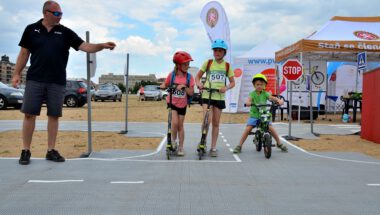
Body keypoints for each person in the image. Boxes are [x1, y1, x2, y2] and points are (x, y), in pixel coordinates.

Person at [12, 1, 116, 165]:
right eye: (57, 13)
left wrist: (101, 45)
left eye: (61, 14)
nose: (60, 16)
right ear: (46, 13)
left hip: (57, 80)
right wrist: (16, 73)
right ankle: (25, 150)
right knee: (29, 114)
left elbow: (85, 46)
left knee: (54, 115)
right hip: (35, 79)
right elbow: (24, 53)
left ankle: (51, 150)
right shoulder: (31, 29)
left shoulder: (65, 32)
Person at [195, 39, 235, 157]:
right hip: (207, 95)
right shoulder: (208, 63)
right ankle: (203, 142)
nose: (217, 52)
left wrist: (226, 88)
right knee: (206, 120)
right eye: (215, 50)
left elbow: (233, 82)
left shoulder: (227, 66)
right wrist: (199, 84)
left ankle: (213, 147)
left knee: (216, 123)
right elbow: (197, 77)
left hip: (219, 97)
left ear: (224, 52)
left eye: (220, 51)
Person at [233, 74, 288, 154]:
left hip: (264, 115)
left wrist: (279, 101)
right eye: (257, 84)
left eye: (261, 84)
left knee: (271, 128)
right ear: (254, 85)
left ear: (264, 85)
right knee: (248, 129)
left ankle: (279, 143)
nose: (259, 86)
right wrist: (248, 102)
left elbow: (272, 98)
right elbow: (249, 99)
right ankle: (239, 145)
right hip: (254, 115)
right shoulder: (252, 94)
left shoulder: (265, 93)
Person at [160, 51, 195, 156]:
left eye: (188, 64)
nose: (187, 66)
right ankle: (173, 142)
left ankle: (181, 147)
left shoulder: (189, 77)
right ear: (178, 65)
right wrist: (162, 86)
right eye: (185, 64)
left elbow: (191, 92)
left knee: (180, 126)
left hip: (183, 104)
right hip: (172, 102)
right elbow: (165, 84)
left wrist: (184, 86)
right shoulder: (172, 75)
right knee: (174, 123)